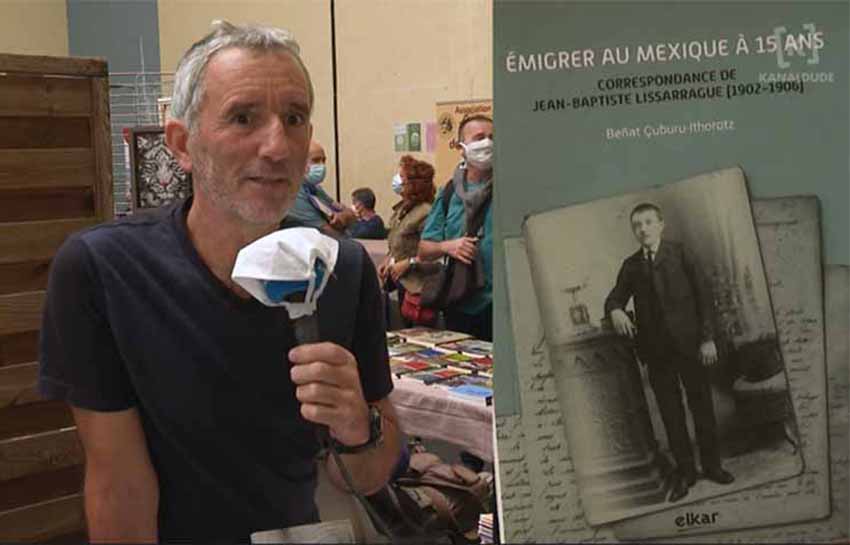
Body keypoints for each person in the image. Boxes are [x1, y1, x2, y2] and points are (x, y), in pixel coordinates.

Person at [38, 21, 401, 543]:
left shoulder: (342, 270)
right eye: (243, 117)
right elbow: (120, 486)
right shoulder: (104, 272)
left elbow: (369, 474)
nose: (277, 146)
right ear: (182, 144)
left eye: (294, 117)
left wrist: (357, 426)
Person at [604, 202, 734, 504]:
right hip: (658, 353)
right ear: (633, 231)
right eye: (637, 225)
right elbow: (615, 296)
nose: (643, 229)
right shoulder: (631, 266)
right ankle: (687, 471)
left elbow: (704, 297)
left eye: (649, 222)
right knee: (671, 416)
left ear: (661, 225)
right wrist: (615, 310)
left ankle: (713, 466)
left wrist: (707, 339)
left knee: (702, 407)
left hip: (691, 347)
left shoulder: (681, 253)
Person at [417, 115, 493, 342]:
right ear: (462, 147)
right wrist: (449, 246)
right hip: (460, 301)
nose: (487, 143)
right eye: (479, 138)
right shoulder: (449, 192)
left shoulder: (511, 186)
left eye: (492, 137)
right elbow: (424, 249)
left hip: (502, 305)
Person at [378, 155, 437, 325]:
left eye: (402, 177)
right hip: (401, 282)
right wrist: (389, 259)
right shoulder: (403, 209)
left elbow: (436, 253)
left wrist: (409, 263)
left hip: (419, 286)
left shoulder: (426, 212)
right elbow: (398, 240)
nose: (398, 181)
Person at [289, 139, 355, 238]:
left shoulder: (314, 188)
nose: (322, 166)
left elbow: (348, 212)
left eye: (323, 160)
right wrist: (345, 218)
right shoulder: (294, 192)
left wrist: (344, 216)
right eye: (315, 160)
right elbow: (331, 234)